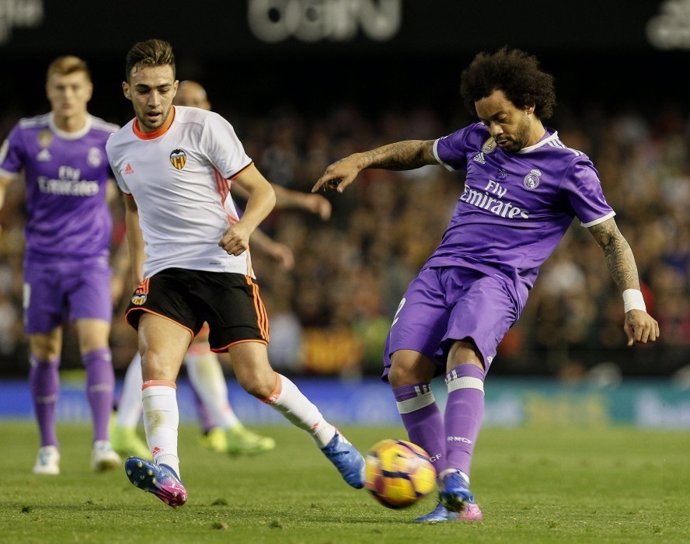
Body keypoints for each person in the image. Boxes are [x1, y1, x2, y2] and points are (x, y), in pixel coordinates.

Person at [312, 47, 660, 522]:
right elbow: (419, 151)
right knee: (404, 371)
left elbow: (613, 241)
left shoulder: (570, 168)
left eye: (502, 118)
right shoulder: (480, 139)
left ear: (530, 104)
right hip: (440, 272)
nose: (494, 130)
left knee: (464, 353)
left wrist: (634, 304)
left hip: (499, 279)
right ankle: (453, 502)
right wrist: (361, 158)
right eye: (486, 121)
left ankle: (456, 479)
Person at [106, 38, 363, 507]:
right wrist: (138, 271)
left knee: (257, 381)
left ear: (175, 86)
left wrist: (245, 228)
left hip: (223, 267)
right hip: (167, 272)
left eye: (164, 89)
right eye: (144, 90)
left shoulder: (206, 128)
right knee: (156, 363)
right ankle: (168, 470)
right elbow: (133, 210)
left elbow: (261, 191)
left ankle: (330, 437)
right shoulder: (118, 144)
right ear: (127, 90)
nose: (155, 100)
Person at [0, 56, 122, 475]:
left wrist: (130, 262)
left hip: (90, 260)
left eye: (75, 88)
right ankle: (48, 447)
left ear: (88, 91)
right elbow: (1, 182)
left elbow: (132, 199)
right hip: (42, 261)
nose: (67, 95)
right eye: (59, 88)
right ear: (49, 91)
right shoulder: (27, 135)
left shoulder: (108, 138)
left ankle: (102, 442)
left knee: (95, 343)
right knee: (45, 351)